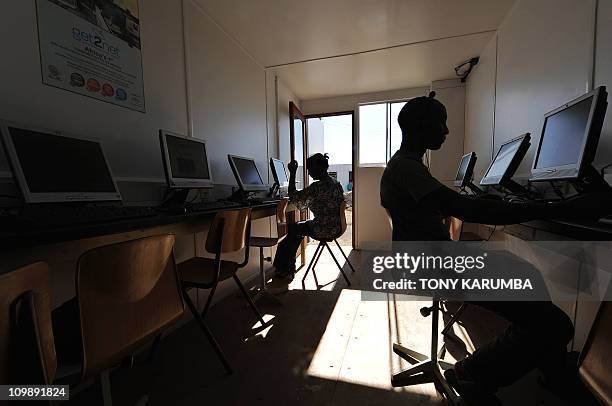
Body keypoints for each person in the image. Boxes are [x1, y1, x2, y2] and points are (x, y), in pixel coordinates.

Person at [380, 92, 611, 405]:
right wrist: (555, 207)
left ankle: (540, 368)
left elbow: (458, 205)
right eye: (441, 122)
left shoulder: (406, 166)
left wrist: (523, 205)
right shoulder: (406, 168)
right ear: (422, 126)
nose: (446, 131)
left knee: (530, 280)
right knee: (556, 324)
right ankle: (476, 372)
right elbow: (466, 209)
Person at [270, 153, 345, 291]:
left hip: (324, 228)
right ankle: (284, 268)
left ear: (319, 168)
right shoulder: (336, 183)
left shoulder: (317, 187)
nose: (309, 172)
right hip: (337, 227)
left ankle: (284, 270)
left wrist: (292, 173)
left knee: (293, 229)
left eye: (310, 168)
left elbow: (293, 196)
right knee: (297, 228)